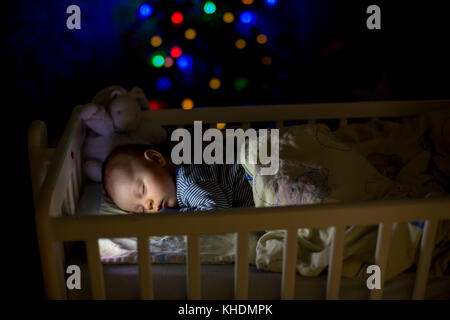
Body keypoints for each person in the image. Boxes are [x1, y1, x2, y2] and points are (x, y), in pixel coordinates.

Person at [101, 143, 254, 213]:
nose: (148, 205)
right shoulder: (182, 188)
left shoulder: (187, 183)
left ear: (156, 159)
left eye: (142, 190)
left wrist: (175, 219)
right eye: (140, 210)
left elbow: (215, 213)